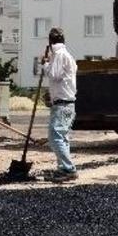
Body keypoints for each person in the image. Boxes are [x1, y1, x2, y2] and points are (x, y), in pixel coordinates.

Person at [42, 28, 79, 183]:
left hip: (63, 103)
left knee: (55, 136)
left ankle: (68, 168)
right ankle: (63, 168)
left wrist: (45, 64)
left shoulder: (59, 55)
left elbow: (54, 75)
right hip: (66, 102)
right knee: (61, 137)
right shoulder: (67, 55)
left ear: (50, 42)